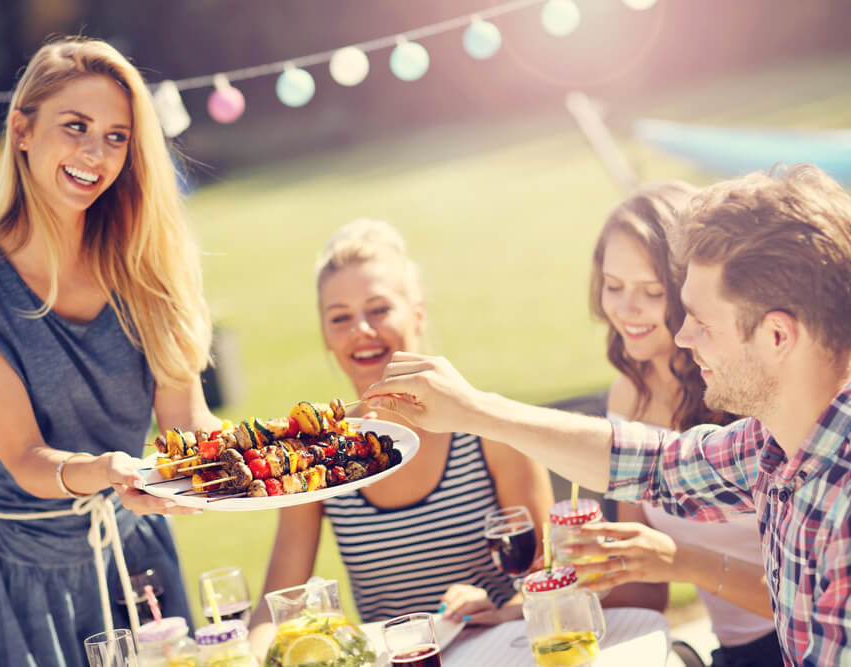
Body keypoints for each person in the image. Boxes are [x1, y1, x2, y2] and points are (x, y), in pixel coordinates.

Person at [362, 164, 851, 666]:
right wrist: (476, 410)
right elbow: (651, 464)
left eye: (702, 322)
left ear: (776, 336)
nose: (684, 337)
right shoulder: (769, 447)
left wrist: (684, 562)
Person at [0, 37, 220, 666]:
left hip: (132, 552)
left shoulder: (151, 265)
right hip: (8, 569)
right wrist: (108, 470)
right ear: (22, 130)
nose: (94, 153)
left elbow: (186, 427)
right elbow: (27, 459)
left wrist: (279, 458)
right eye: (75, 127)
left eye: (116, 137)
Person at [248, 220, 555, 653]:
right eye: (340, 317)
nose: (361, 330)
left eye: (379, 310)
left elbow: (551, 576)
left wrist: (504, 608)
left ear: (418, 313)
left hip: (503, 650)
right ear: (325, 335)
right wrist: (249, 652)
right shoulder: (314, 460)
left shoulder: (486, 429)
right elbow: (277, 604)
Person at [573, 182, 782, 666]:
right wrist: (537, 600)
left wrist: (682, 561)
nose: (625, 311)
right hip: (734, 654)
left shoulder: (748, 390)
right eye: (613, 286)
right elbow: (644, 590)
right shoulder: (629, 391)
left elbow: (810, 604)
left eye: (651, 291)